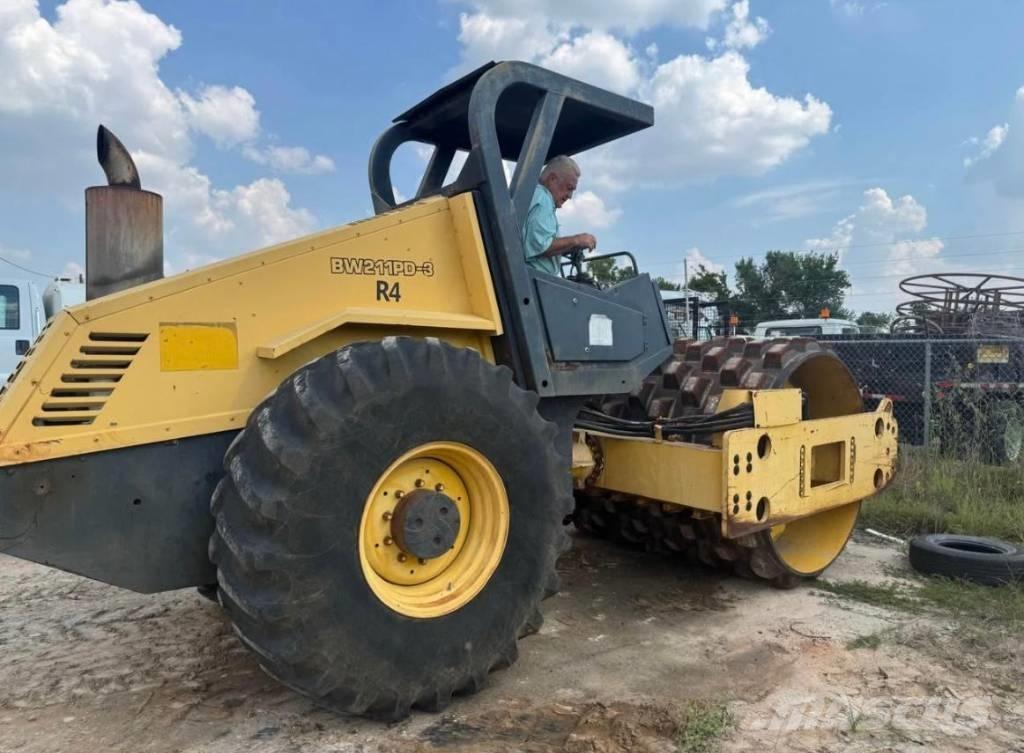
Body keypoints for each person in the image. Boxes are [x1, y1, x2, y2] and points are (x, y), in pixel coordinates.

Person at [521, 155, 598, 275]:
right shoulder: (543, 199)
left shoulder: (532, 195)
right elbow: (541, 245)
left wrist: (568, 247)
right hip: (533, 278)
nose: (570, 196)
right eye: (569, 188)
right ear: (552, 179)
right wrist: (577, 240)